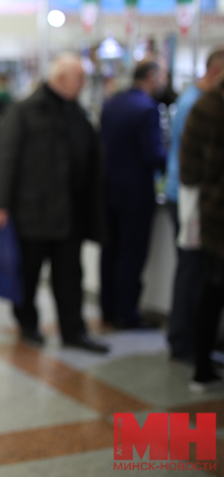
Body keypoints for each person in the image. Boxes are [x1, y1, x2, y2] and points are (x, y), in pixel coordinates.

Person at [0, 53, 109, 353]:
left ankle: (74, 330)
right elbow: (6, 158)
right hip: (33, 212)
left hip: (70, 213)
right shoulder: (25, 110)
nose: (83, 83)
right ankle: (27, 324)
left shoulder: (77, 112)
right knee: (28, 275)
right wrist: (0, 205)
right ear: (61, 78)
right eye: (79, 78)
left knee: (70, 276)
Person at [166, 48, 224, 361]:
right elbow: (194, 163)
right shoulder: (198, 105)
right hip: (190, 199)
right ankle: (183, 340)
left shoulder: (194, 101)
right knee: (193, 273)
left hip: (191, 196)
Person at [98, 61, 166, 330]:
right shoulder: (147, 108)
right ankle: (127, 312)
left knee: (110, 251)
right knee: (131, 254)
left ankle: (108, 309)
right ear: (151, 77)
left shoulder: (112, 103)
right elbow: (154, 155)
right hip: (136, 193)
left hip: (109, 190)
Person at [180, 76, 224, 392]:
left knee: (210, 291)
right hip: (216, 217)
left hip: (212, 215)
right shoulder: (207, 108)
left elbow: (189, 169)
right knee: (211, 290)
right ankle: (201, 367)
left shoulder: (203, 107)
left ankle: (201, 367)